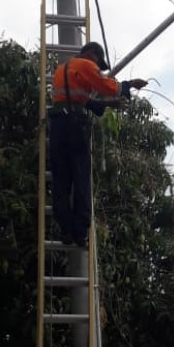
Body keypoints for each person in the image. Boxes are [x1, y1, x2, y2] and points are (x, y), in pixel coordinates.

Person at [48, 41, 147, 247]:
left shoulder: (62, 70)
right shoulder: (86, 65)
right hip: (75, 125)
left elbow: (80, 100)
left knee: (61, 179)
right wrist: (128, 85)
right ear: (91, 53)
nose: (97, 67)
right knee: (81, 178)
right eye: (98, 62)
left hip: (58, 125)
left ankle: (66, 231)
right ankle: (80, 233)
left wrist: (108, 104)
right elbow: (107, 86)